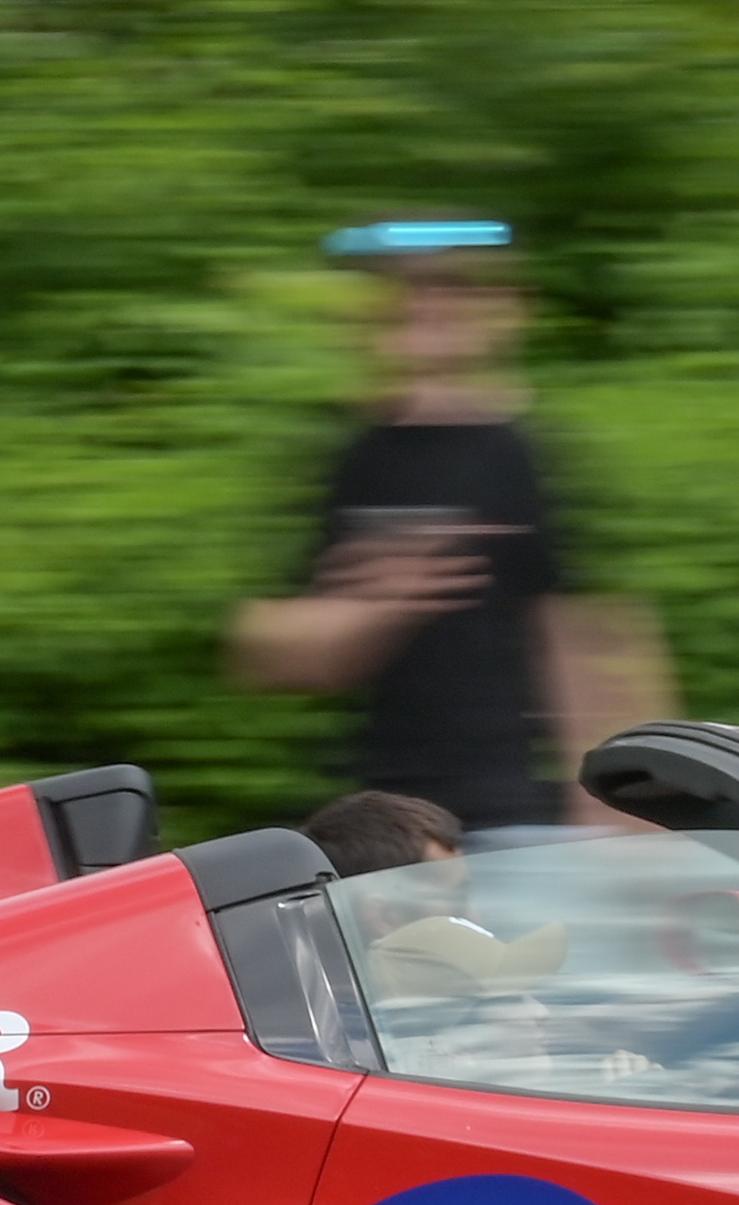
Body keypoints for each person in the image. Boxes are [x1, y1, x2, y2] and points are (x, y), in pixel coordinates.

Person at [227, 218, 673, 834]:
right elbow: (265, 652)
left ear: (505, 311)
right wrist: (373, 610)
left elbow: (589, 638)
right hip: (383, 826)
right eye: (407, 291)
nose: (426, 305)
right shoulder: (354, 457)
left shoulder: (528, 454)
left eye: (451, 289)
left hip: (511, 817)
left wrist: (634, 815)